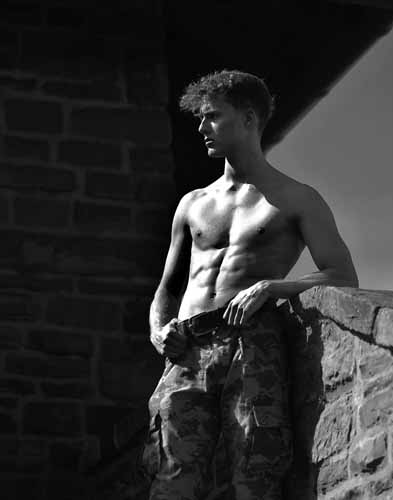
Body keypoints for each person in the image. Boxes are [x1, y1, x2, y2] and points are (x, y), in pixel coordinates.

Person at [142, 70, 358, 500]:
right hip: (187, 348)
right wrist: (158, 330)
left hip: (250, 342)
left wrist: (271, 287)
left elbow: (341, 274)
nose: (202, 128)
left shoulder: (296, 198)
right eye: (201, 118)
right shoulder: (193, 204)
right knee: (169, 478)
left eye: (212, 116)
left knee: (255, 470)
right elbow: (167, 288)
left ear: (248, 118)